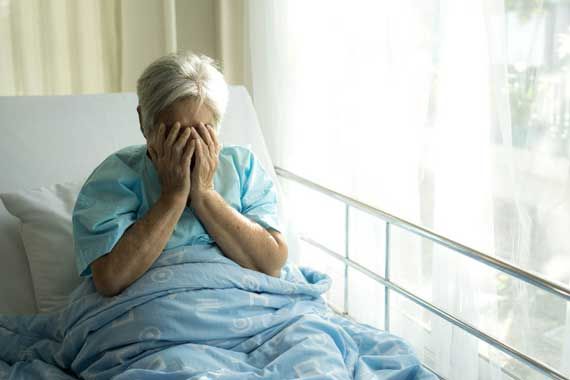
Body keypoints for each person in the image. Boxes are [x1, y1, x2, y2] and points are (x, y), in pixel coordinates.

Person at [72, 52, 288, 297]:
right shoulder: (116, 176)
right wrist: (172, 197)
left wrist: (205, 194)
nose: (187, 146)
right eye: (175, 133)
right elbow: (111, 279)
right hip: (154, 308)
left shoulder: (243, 167)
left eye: (200, 132)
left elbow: (271, 264)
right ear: (144, 122)